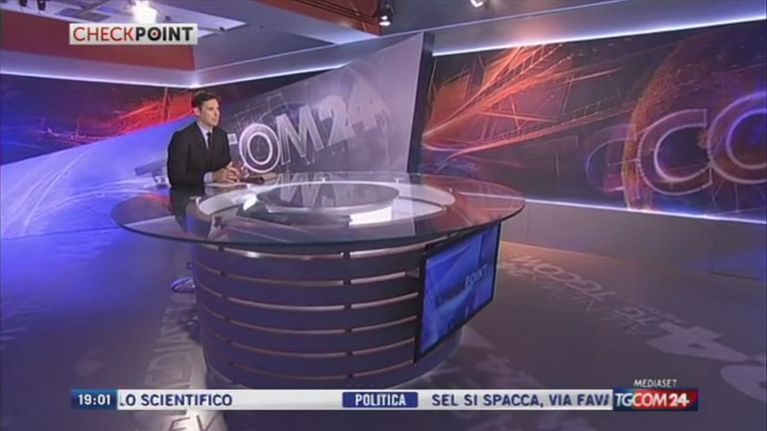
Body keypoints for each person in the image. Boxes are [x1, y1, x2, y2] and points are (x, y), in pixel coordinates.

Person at [166, 90, 240, 188]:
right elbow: (176, 179)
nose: (216, 114)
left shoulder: (221, 135)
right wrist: (212, 176)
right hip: (191, 195)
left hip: (219, 194)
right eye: (211, 109)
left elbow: (225, 166)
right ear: (197, 111)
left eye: (217, 109)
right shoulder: (182, 138)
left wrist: (231, 173)